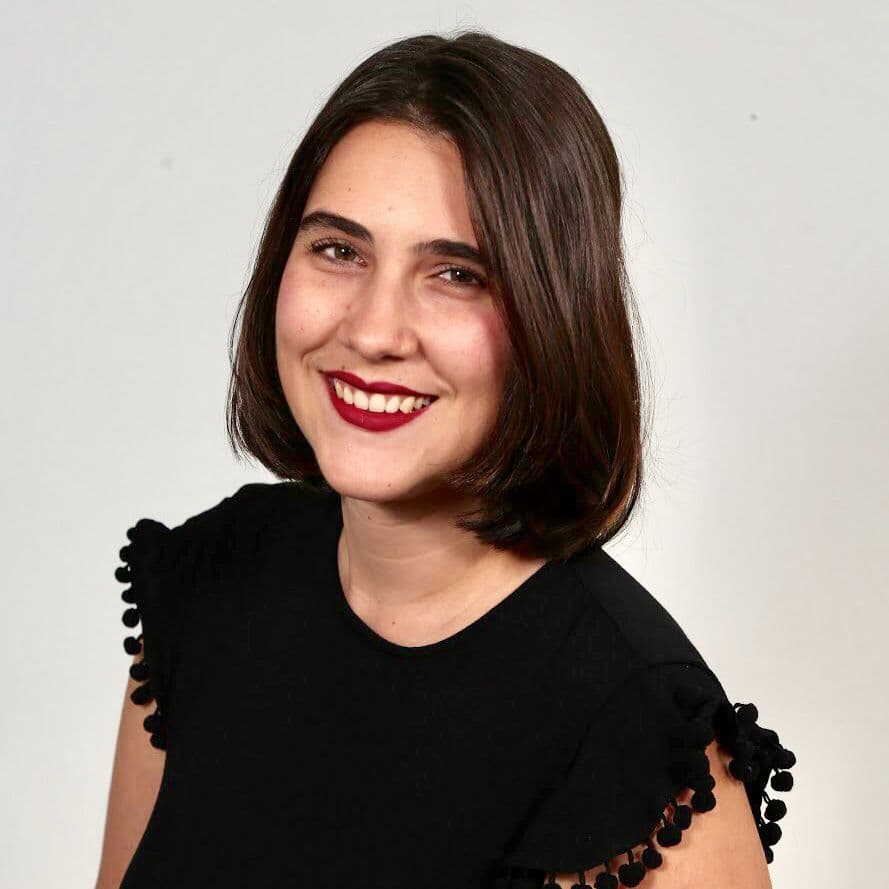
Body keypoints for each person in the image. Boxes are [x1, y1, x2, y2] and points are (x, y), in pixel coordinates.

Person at [95, 29, 796, 889]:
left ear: (555, 319)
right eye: (338, 250)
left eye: (457, 273)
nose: (372, 331)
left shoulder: (635, 737)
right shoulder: (205, 586)